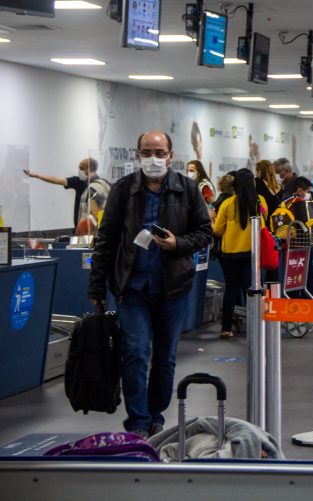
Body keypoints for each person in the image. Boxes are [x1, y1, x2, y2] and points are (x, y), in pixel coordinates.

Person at [88, 131, 213, 438]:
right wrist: (96, 288)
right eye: (147, 151)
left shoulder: (188, 189)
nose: (153, 158)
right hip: (131, 287)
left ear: (171, 155)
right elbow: (105, 240)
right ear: (138, 153)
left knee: (165, 356)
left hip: (173, 287)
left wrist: (177, 244)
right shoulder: (123, 189)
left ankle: (156, 413)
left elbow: (205, 232)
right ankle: (138, 421)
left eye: (159, 152)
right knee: (135, 352)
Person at [213, 169, 268, 338]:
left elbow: (218, 231)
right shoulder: (258, 202)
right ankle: (256, 324)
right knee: (251, 289)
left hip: (230, 254)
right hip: (251, 254)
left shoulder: (227, 204)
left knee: (231, 289)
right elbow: (263, 228)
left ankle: (226, 328)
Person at [23, 158, 104, 233]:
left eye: (81, 169)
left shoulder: (100, 185)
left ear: (88, 169)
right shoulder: (78, 181)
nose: (79, 171)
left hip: (94, 231)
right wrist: (37, 175)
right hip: (80, 230)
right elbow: (57, 180)